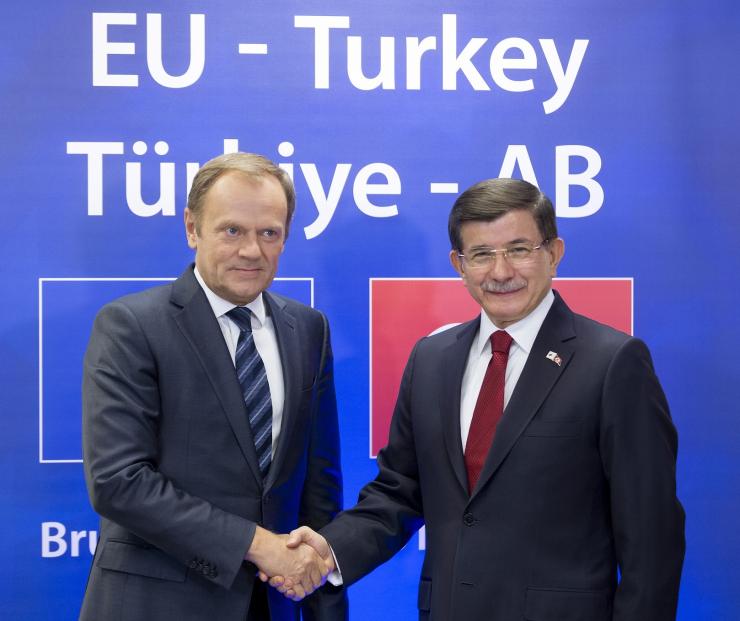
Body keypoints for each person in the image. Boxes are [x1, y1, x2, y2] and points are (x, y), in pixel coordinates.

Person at [272, 178, 685, 620]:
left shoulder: (613, 362)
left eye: (519, 249)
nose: (501, 271)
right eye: (482, 254)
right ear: (459, 264)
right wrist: (327, 551)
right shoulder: (431, 359)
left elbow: (651, 539)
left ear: (555, 253)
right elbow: (400, 492)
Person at [80, 152, 347, 621]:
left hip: (276, 606)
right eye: (232, 231)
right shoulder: (131, 326)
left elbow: (318, 490)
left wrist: (324, 606)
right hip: (156, 606)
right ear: (191, 228)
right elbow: (118, 481)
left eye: (270, 233)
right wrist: (257, 544)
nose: (252, 250)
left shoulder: (308, 329)